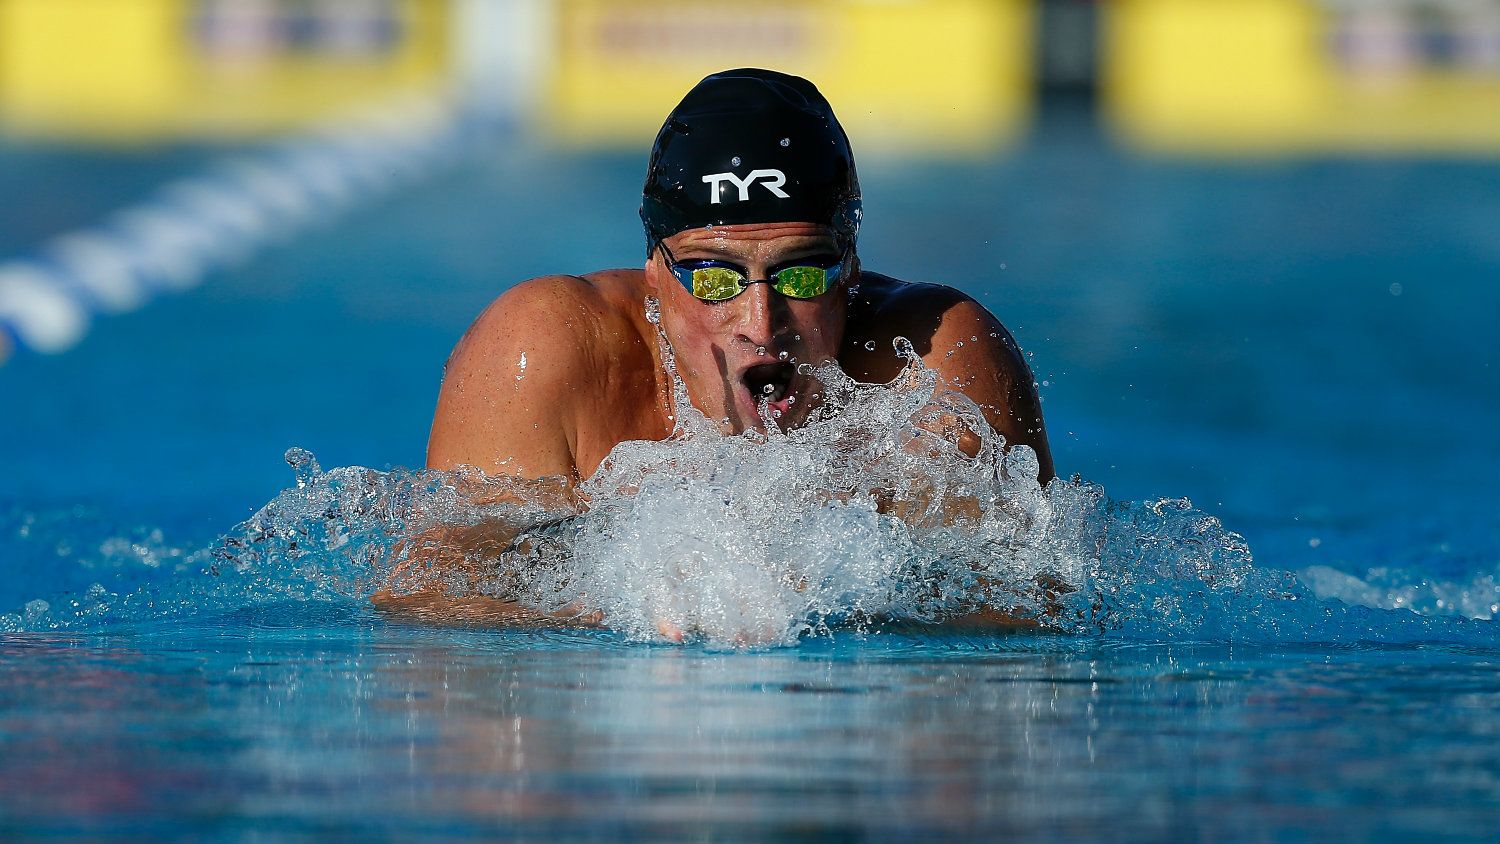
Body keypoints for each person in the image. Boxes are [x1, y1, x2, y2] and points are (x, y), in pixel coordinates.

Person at [381, 69, 1053, 636]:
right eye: (713, 277)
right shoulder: (544, 349)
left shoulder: (929, 360)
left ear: (850, 266)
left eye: (801, 273)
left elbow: (1033, 608)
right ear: (654, 269)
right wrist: (614, 611)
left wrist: (848, 596)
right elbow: (424, 600)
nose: (761, 325)